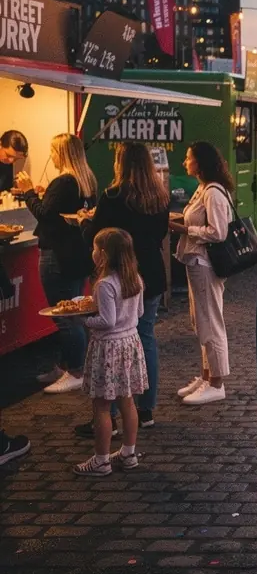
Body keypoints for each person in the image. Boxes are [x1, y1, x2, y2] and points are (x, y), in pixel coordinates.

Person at [78, 142, 169, 433]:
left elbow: (97, 234)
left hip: (119, 273)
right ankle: (146, 410)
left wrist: (83, 223)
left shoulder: (114, 195)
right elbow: (161, 233)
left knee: (113, 337)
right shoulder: (159, 196)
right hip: (151, 272)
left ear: (121, 162)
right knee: (145, 335)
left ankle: (110, 414)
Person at [15, 134, 97, 394]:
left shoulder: (63, 181)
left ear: (62, 153)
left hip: (57, 255)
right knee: (74, 309)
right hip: (77, 253)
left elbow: (44, 215)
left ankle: (75, 371)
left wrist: (28, 191)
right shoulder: (87, 180)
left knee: (65, 315)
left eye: (52, 151)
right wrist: (42, 195)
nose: (50, 156)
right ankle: (66, 365)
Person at [73, 227, 147, 476]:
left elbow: (107, 320)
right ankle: (128, 453)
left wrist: (84, 320)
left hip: (109, 348)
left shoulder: (105, 284)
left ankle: (101, 460)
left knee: (102, 406)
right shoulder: (135, 278)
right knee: (128, 402)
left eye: (95, 248)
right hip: (130, 343)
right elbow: (139, 314)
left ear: (103, 254)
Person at [169, 141, 233, 405]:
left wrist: (185, 230)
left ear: (200, 162)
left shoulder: (213, 192)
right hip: (196, 262)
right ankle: (207, 376)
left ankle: (217, 383)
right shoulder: (203, 189)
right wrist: (181, 220)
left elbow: (218, 232)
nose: (185, 163)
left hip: (206, 263)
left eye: (188, 158)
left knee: (211, 322)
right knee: (201, 322)